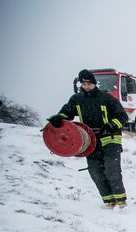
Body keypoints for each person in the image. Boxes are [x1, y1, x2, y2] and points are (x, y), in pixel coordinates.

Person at [47, 69, 129, 208]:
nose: (86, 86)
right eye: (83, 83)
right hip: (91, 141)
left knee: (111, 168)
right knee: (95, 171)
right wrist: (58, 118)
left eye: (89, 83)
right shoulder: (76, 99)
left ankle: (121, 201)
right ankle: (109, 201)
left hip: (110, 137)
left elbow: (123, 116)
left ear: (94, 83)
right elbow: (67, 113)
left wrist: (110, 125)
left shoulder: (106, 98)